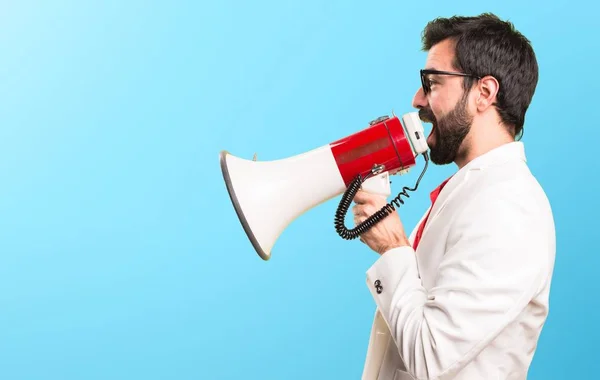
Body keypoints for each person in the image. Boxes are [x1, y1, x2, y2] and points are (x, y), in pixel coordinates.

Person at [352, 13, 556, 380]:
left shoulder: (509, 206)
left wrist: (393, 248)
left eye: (431, 83)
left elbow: (431, 357)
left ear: (484, 93)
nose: (417, 100)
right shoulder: (477, 192)